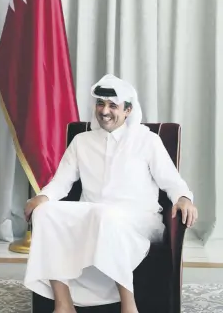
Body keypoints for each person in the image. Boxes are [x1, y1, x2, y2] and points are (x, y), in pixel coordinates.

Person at [23, 74, 198, 313]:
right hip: (91, 217)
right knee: (44, 213)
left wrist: (184, 198)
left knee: (106, 215)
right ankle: (63, 304)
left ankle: (129, 306)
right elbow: (60, 183)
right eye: (100, 104)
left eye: (113, 105)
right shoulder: (82, 141)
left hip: (139, 220)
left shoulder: (147, 140)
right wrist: (41, 198)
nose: (104, 111)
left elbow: (172, 181)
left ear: (128, 110)